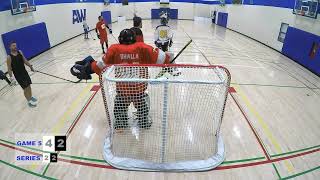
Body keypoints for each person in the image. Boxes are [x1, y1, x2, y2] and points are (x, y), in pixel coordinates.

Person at [70, 29, 175, 130]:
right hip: (139, 90)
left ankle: (120, 123)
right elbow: (161, 58)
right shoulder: (142, 47)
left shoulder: (114, 49)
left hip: (122, 89)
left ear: (120, 39)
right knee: (143, 105)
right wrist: (169, 61)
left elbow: (101, 65)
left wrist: (89, 68)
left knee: (120, 106)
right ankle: (144, 122)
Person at [6, 42, 37, 107]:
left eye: (15, 45)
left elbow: (25, 60)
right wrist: (11, 78)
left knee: (29, 86)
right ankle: (29, 102)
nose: (15, 47)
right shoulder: (9, 57)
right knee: (25, 88)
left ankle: (30, 97)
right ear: (10, 47)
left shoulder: (20, 52)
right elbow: (9, 68)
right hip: (18, 76)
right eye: (13, 45)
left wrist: (31, 67)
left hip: (24, 72)